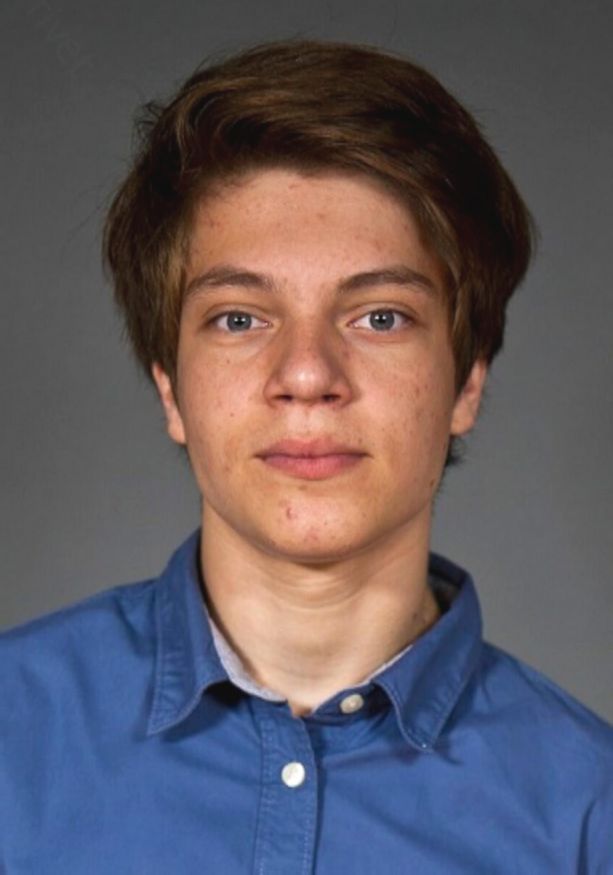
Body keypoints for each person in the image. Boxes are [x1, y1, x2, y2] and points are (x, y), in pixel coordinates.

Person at [1, 37, 611, 874]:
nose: (307, 375)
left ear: (467, 381)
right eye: (239, 318)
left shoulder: (589, 812)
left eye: (380, 316)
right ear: (171, 388)